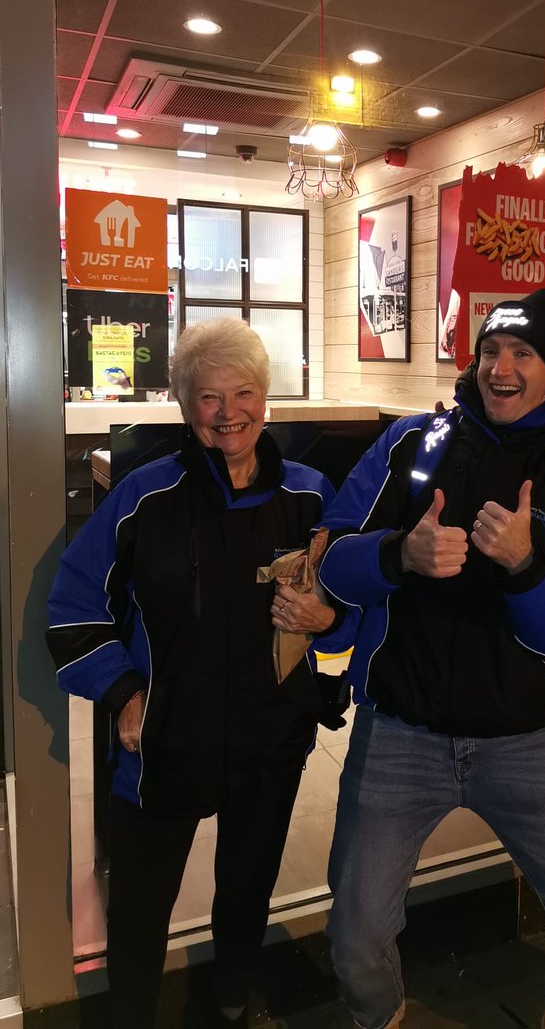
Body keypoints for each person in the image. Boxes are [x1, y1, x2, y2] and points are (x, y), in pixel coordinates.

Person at [316, 289, 545, 1029]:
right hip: (399, 737)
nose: (501, 368)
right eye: (491, 351)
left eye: (523, 354)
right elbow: (331, 564)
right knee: (355, 937)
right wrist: (401, 555)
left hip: (523, 745)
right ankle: (385, 1019)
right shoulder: (414, 444)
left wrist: (524, 567)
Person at [47, 318, 351, 1029]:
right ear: (185, 406)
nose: (227, 412)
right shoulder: (145, 496)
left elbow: (351, 597)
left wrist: (329, 630)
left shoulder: (311, 496)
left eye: (243, 392)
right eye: (208, 397)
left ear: (265, 399)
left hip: (272, 740)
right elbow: (71, 603)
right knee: (142, 910)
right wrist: (124, 694)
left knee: (246, 892)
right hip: (164, 744)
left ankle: (231, 1002)